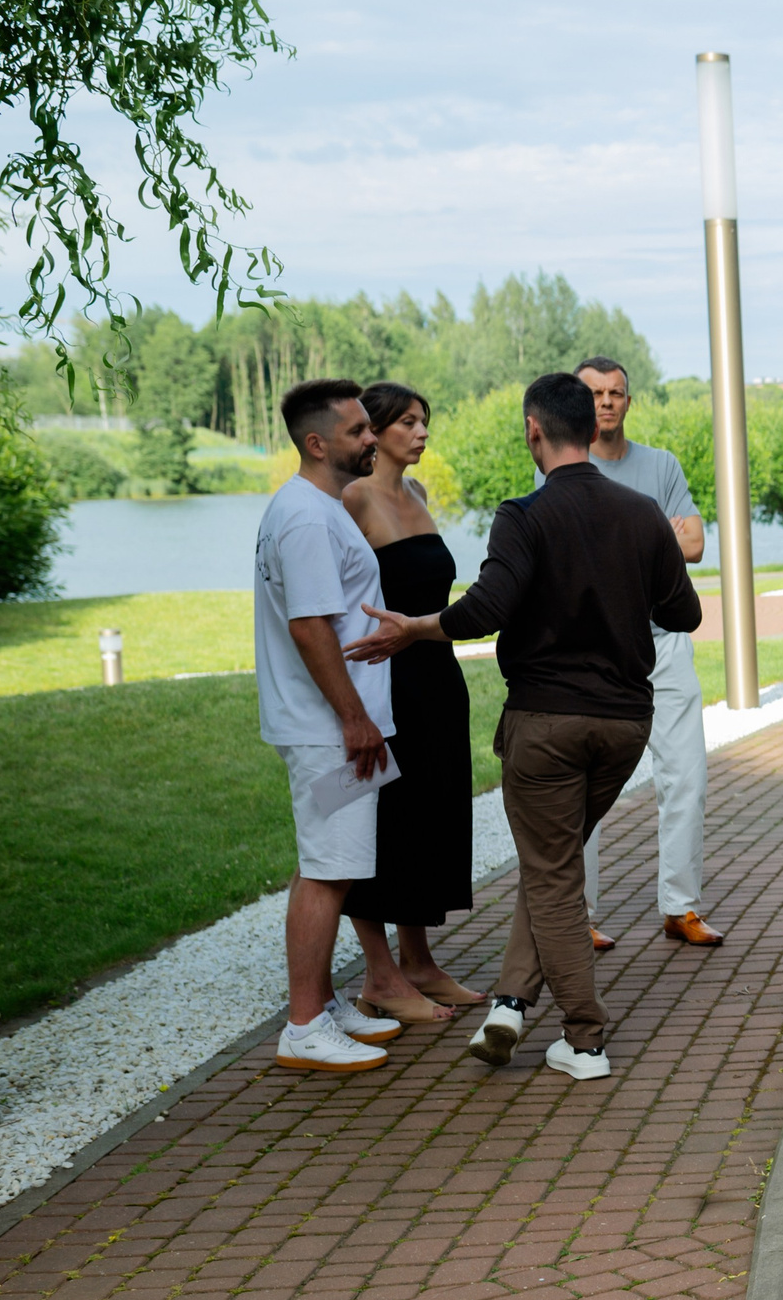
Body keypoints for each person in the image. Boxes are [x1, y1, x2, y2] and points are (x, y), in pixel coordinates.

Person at [346, 372, 703, 1083]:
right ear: (589, 426)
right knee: (553, 864)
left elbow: (487, 607)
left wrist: (416, 628)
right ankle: (509, 1004)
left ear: (533, 430)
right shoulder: (641, 514)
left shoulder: (523, 514)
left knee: (552, 873)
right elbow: (685, 613)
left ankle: (585, 1038)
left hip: (545, 724)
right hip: (624, 727)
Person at [254, 379, 407, 1073]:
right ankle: (305, 1024)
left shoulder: (315, 506)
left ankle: (320, 1001)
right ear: (316, 444)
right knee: (327, 870)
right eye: (356, 431)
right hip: (328, 726)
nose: (371, 437)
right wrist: (354, 717)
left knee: (328, 867)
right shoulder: (308, 518)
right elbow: (311, 626)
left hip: (332, 722)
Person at [340, 382, 480, 1020]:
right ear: (377, 431)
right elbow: (336, 603)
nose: (422, 433)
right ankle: (380, 977)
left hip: (436, 677)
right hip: (385, 682)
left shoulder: (417, 494)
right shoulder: (353, 499)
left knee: (430, 817)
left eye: (425, 421)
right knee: (385, 823)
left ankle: (420, 963)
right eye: (408, 423)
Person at [574, 356, 723, 951]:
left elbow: (695, 542)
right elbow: (573, 547)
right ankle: (576, 915)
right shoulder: (562, 465)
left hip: (664, 645)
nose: (606, 402)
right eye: (594, 394)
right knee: (585, 788)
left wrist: (618, 532)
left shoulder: (660, 464)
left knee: (687, 776)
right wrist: (653, 528)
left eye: (616, 393)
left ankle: (680, 908)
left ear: (628, 401)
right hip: (594, 652)